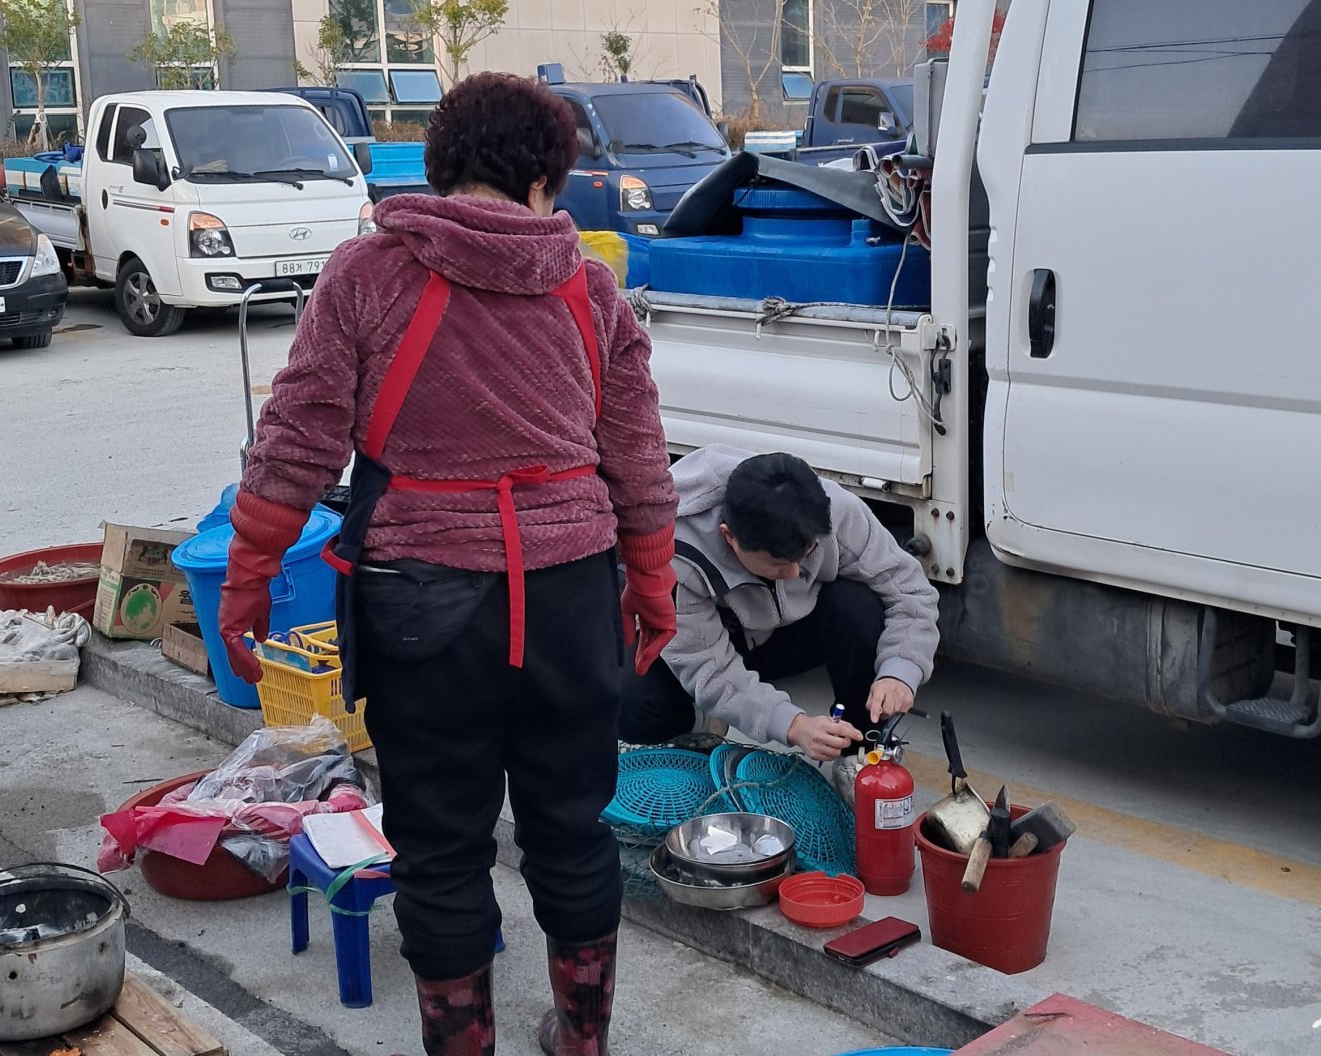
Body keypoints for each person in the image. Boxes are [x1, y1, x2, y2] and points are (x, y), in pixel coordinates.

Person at [215, 72, 678, 1056]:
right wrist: (651, 585)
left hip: (422, 607)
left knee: (439, 849)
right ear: (547, 180)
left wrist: (251, 570)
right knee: (572, 829)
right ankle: (581, 1042)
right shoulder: (590, 288)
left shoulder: (366, 274)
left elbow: (298, 432)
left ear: (438, 168)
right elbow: (637, 458)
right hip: (567, 596)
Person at [620, 444, 939, 761]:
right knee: (630, 703)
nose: (793, 573)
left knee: (859, 607)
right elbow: (710, 670)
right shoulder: (672, 554)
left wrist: (900, 671)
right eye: (777, 565)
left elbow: (911, 591)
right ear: (729, 536)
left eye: (807, 555)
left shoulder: (836, 509)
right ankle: (700, 720)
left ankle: (860, 750)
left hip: (785, 633)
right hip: (714, 637)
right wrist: (794, 726)